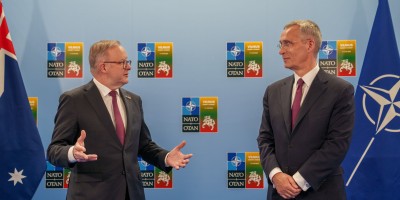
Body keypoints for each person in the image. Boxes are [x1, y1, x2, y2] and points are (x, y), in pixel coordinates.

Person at [47, 40, 192, 200]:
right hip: (91, 195)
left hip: (131, 194)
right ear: (103, 67)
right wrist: (72, 153)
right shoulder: (74, 100)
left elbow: (143, 145)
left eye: (127, 62)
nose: (128, 67)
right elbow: (54, 150)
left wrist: (165, 157)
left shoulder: (134, 100)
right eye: (122, 62)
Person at [257, 20, 355, 200]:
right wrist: (276, 175)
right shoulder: (273, 91)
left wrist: (297, 182)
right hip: (279, 193)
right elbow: (265, 139)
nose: (281, 51)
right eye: (281, 44)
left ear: (310, 44)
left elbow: (337, 144)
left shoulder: (340, 90)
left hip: (321, 192)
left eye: (288, 43)